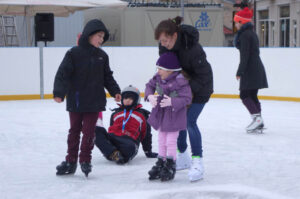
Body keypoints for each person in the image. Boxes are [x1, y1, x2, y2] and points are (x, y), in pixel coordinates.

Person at [53, 19, 121, 177]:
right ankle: (70, 161)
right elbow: (63, 74)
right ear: (89, 35)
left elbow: (107, 77)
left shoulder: (102, 56)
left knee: (89, 133)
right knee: (74, 131)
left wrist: (115, 91)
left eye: (103, 37)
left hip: (94, 101)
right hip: (76, 100)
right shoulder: (73, 53)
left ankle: (85, 160)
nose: (101, 39)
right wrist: (59, 92)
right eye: (99, 35)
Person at [154, 16, 213, 181]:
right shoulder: (164, 47)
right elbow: (166, 69)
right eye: (160, 41)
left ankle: (197, 161)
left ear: (174, 36)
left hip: (201, 88)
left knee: (189, 121)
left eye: (166, 40)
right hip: (180, 88)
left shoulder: (193, 48)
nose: (163, 44)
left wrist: (184, 91)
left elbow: (203, 76)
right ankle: (183, 156)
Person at [145, 52, 192, 182]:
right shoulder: (158, 77)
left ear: (170, 70)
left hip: (174, 116)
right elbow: (149, 86)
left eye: (161, 68)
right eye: (158, 68)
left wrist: (172, 102)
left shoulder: (180, 81)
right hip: (161, 114)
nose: (158, 71)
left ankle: (171, 164)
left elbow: (187, 99)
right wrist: (149, 96)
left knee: (170, 141)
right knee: (161, 139)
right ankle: (161, 161)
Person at [94, 85, 158, 165]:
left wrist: (148, 151)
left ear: (136, 100)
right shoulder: (115, 114)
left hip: (129, 141)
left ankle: (112, 152)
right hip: (114, 138)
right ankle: (113, 153)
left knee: (129, 148)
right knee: (94, 131)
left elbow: (146, 135)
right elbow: (111, 128)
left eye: (131, 98)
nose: (127, 100)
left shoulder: (142, 115)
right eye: (125, 98)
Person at [233, 7, 268, 133]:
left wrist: (239, 71)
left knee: (244, 95)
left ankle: (257, 119)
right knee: (252, 95)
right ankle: (259, 120)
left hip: (250, 69)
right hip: (255, 68)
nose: (235, 24)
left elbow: (245, 55)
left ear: (242, 22)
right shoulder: (251, 33)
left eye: (236, 22)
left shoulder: (245, 35)